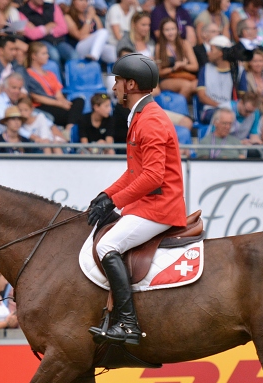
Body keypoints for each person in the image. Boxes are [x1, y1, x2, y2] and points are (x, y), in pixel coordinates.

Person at [86, 53, 187, 345]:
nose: (114, 87)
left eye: (117, 81)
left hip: (160, 207)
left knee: (107, 245)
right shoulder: (141, 116)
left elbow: (153, 177)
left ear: (130, 84)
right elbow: (134, 172)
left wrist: (115, 202)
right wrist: (106, 196)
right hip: (148, 204)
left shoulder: (151, 120)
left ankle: (128, 324)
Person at [24, 43, 85, 136]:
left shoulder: (50, 73)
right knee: (78, 117)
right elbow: (35, 97)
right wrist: (59, 104)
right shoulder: (28, 74)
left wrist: (64, 103)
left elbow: (58, 94)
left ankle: (68, 130)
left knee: (79, 100)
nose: (47, 56)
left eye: (47, 53)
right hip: (42, 106)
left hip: (56, 103)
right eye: (44, 54)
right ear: (34, 56)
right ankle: (70, 130)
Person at [195, 35, 242, 124]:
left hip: (234, 110)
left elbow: (242, 97)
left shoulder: (239, 71)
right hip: (210, 110)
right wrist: (222, 107)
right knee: (224, 117)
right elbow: (202, 97)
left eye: (211, 50)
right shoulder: (205, 69)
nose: (208, 53)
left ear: (220, 53)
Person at [19, 0, 77, 68]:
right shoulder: (22, 11)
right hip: (39, 42)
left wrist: (42, 30)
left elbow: (64, 28)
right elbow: (32, 35)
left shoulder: (52, 6)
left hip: (57, 41)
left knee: (74, 55)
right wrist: (47, 27)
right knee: (54, 54)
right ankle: (57, 78)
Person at [155, 18, 199, 100]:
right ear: (162, 32)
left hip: (184, 75)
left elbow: (195, 66)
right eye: (167, 30)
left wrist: (183, 66)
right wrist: (173, 68)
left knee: (200, 85)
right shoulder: (159, 47)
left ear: (177, 30)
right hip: (167, 78)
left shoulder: (185, 43)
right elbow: (160, 72)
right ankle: (177, 111)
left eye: (173, 29)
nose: (171, 32)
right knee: (186, 86)